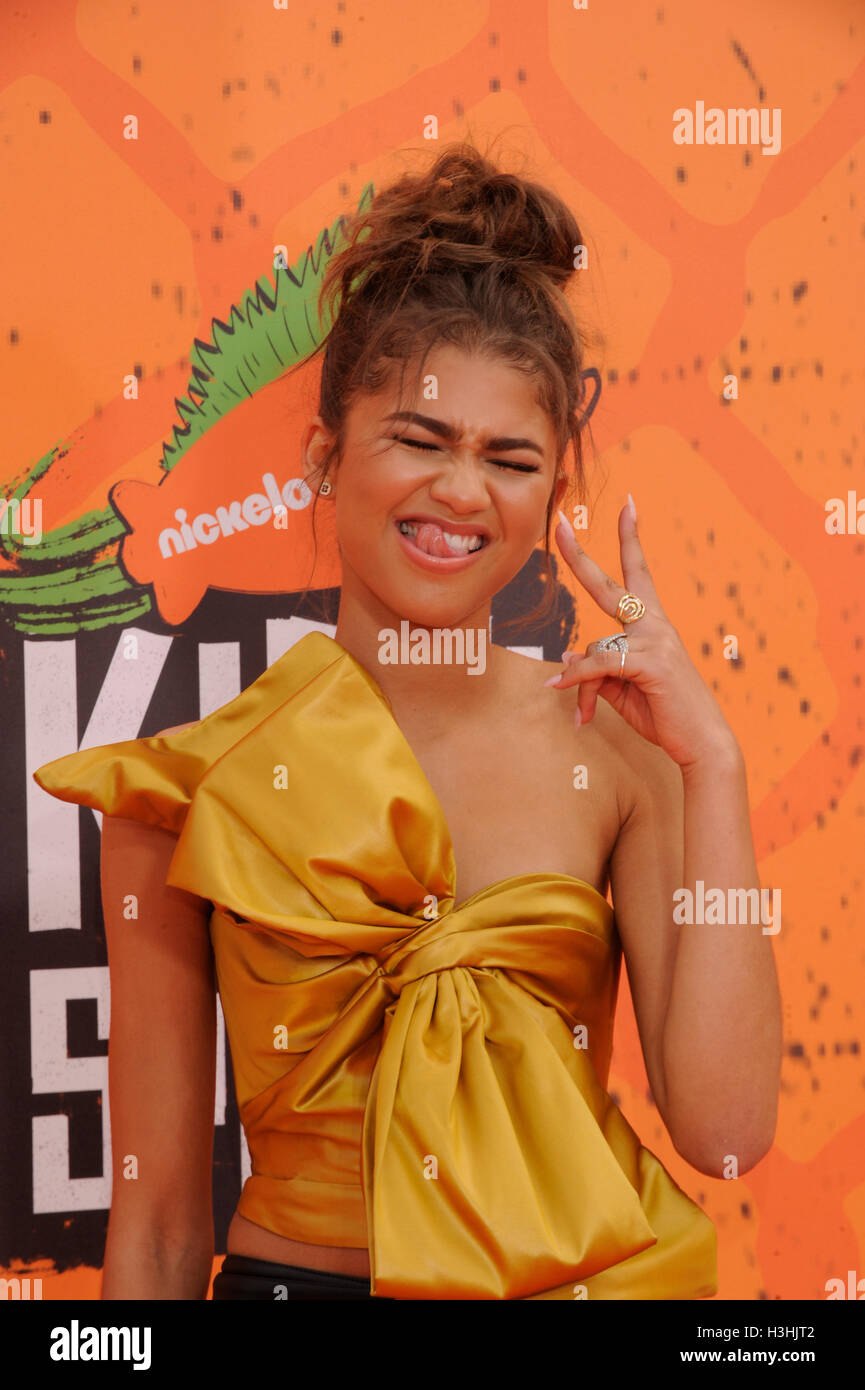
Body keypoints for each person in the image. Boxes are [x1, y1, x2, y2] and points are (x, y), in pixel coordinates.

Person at [33, 140, 781, 1301]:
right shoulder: (189, 786)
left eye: (510, 457)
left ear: (551, 496)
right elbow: (163, 1225)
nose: (461, 492)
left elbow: (726, 1135)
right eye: (419, 440)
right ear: (326, 459)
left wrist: (716, 762)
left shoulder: (623, 754)